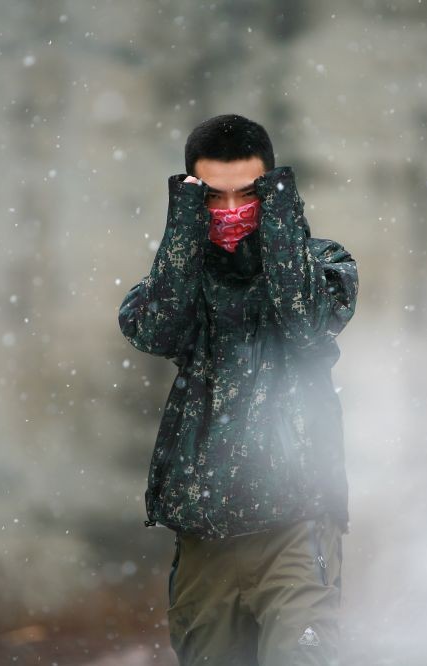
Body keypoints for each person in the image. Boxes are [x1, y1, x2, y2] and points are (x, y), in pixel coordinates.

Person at [117, 113, 359, 665]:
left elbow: (304, 319)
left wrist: (278, 217)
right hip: (206, 538)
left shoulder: (324, 264)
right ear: (191, 196)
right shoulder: (181, 276)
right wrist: (183, 228)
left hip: (298, 525)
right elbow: (153, 329)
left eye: (249, 194)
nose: (231, 212)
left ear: (273, 189)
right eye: (213, 198)